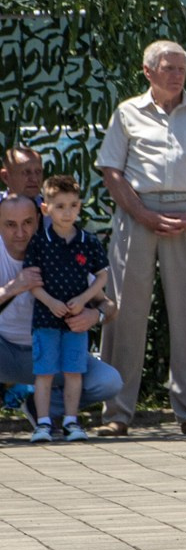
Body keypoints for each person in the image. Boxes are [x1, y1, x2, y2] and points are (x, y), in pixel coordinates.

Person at [94, 40, 186, 437]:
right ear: (147, 71)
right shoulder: (127, 112)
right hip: (137, 211)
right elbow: (111, 171)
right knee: (124, 312)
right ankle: (117, 410)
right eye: (168, 67)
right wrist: (143, 214)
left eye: (182, 68)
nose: (177, 74)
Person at [1, 194, 122, 421]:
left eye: (27, 223)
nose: (20, 233)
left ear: (39, 220)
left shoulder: (62, 254)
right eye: (10, 225)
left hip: (53, 352)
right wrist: (13, 287)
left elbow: (109, 305)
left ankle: (41, 407)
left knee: (108, 382)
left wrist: (95, 315)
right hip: (4, 350)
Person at [21, 174, 112, 443]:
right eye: (59, 206)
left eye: (73, 205)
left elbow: (102, 276)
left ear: (80, 206)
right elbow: (31, 280)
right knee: (44, 372)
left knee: (74, 371)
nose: (67, 212)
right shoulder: (39, 242)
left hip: (75, 321)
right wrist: (50, 302)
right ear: (45, 208)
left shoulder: (88, 241)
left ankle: (72, 420)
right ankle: (44, 423)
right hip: (46, 320)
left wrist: (84, 300)